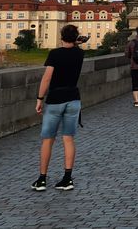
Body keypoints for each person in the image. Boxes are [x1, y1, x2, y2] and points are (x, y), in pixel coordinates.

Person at [32, 24, 86, 192]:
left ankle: (42, 179)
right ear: (75, 37)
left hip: (55, 99)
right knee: (68, 139)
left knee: (48, 139)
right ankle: (67, 178)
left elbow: (47, 78)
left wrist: (39, 98)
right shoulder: (80, 54)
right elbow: (73, 48)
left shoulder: (54, 54)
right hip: (73, 99)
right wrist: (76, 41)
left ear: (61, 37)